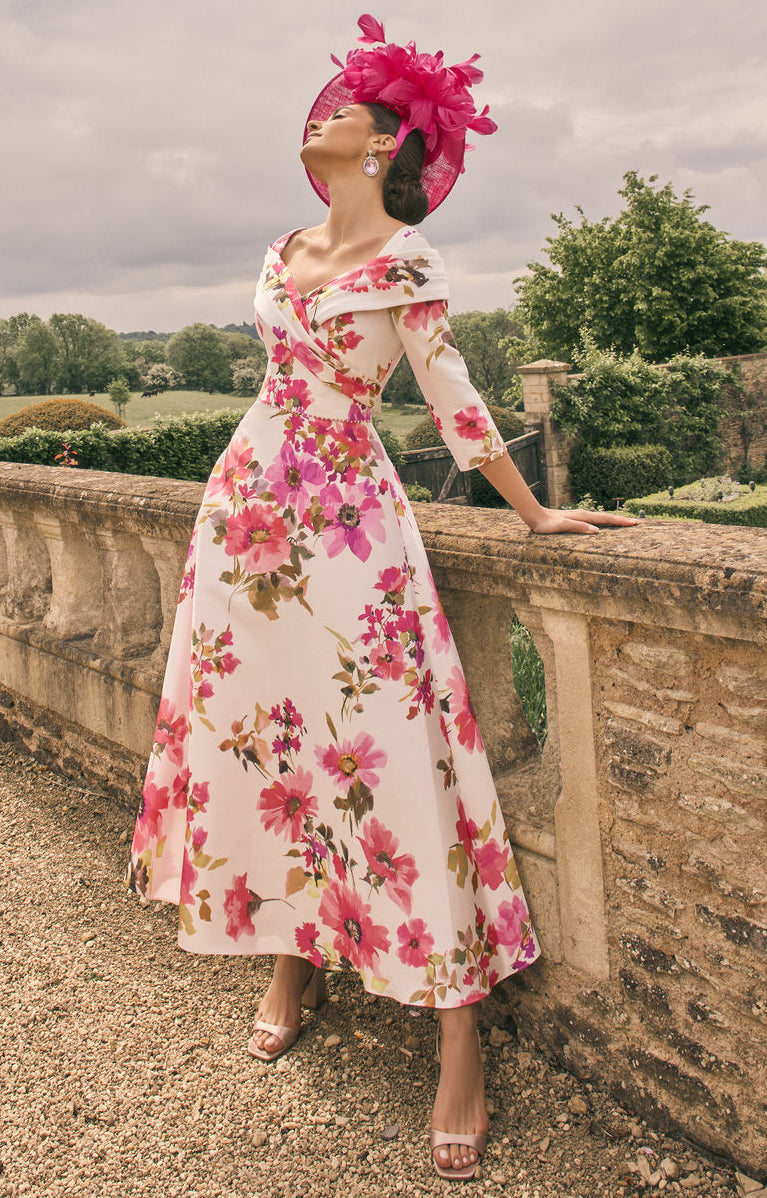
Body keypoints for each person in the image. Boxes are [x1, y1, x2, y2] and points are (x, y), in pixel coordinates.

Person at [128, 14, 638, 1181]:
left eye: (346, 106)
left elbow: (450, 395)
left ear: (381, 143)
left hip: (350, 522)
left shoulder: (406, 260)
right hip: (247, 516)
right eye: (324, 102)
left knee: (386, 739)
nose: (322, 113)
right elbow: (275, 378)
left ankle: (457, 1027)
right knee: (263, 739)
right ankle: (293, 952)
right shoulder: (276, 250)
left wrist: (532, 509)